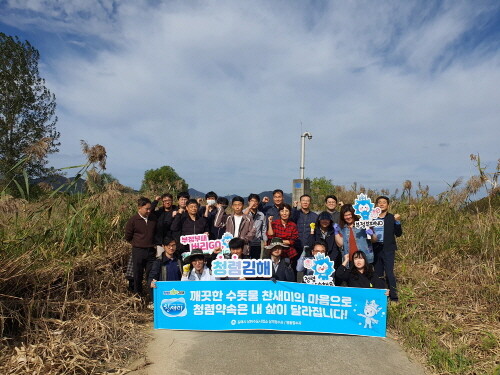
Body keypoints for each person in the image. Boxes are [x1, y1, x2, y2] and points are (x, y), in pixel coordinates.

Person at [124, 197, 157, 295]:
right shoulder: (133, 220)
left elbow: (156, 232)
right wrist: (137, 243)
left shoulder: (153, 219)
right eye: (146, 209)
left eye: (150, 208)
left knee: (150, 274)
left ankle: (151, 295)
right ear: (139, 208)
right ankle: (137, 295)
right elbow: (128, 236)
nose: (148, 211)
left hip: (151, 250)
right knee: (137, 274)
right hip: (138, 250)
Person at [373, 196, 403, 301]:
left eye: (384, 202)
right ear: (376, 205)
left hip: (388, 249)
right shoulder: (372, 218)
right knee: (378, 273)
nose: (381, 204)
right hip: (375, 248)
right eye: (379, 202)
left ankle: (394, 297)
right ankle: (380, 296)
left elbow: (398, 234)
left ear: (388, 205)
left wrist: (398, 222)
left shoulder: (391, 218)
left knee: (389, 272)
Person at [148, 237, 182, 307]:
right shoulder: (159, 262)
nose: (171, 248)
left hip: (178, 293)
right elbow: (152, 275)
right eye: (168, 246)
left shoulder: (179, 260)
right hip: (165, 294)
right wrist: (151, 282)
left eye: (173, 245)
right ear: (163, 246)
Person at [243, 193, 267, 259]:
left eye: (256, 201)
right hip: (245, 243)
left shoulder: (261, 215)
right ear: (248, 202)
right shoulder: (244, 212)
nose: (254, 203)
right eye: (252, 201)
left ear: (258, 203)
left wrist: (265, 240)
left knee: (255, 262)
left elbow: (264, 229)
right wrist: (249, 207)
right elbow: (242, 219)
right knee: (245, 262)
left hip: (257, 243)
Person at [152, 193, 176, 258]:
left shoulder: (176, 211)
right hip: (160, 243)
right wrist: (156, 201)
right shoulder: (159, 212)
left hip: (172, 243)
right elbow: (149, 212)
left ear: (172, 201)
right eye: (165, 201)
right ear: (162, 202)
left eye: (169, 200)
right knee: (160, 261)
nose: (167, 202)